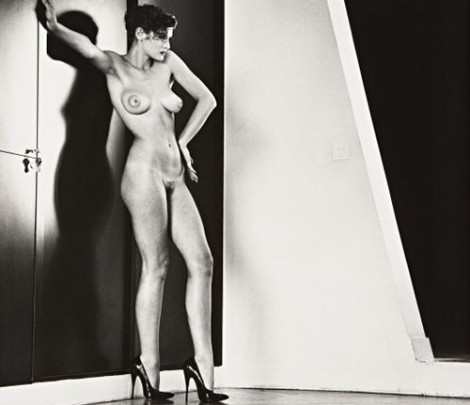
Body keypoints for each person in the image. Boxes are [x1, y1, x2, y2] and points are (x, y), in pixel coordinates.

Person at [40, 1, 228, 402]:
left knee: (203, 263)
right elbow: (86, 48)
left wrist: (182, 141)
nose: (167, 45)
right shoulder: (115, 67)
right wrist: (55, 27)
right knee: (157, 266)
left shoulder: (168, 64)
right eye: (161, 38)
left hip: (176, 175)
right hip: (143, 174)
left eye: (169, 38)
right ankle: (150, 366)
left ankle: (203, 370)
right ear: (141, 34)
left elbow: (208, 100)